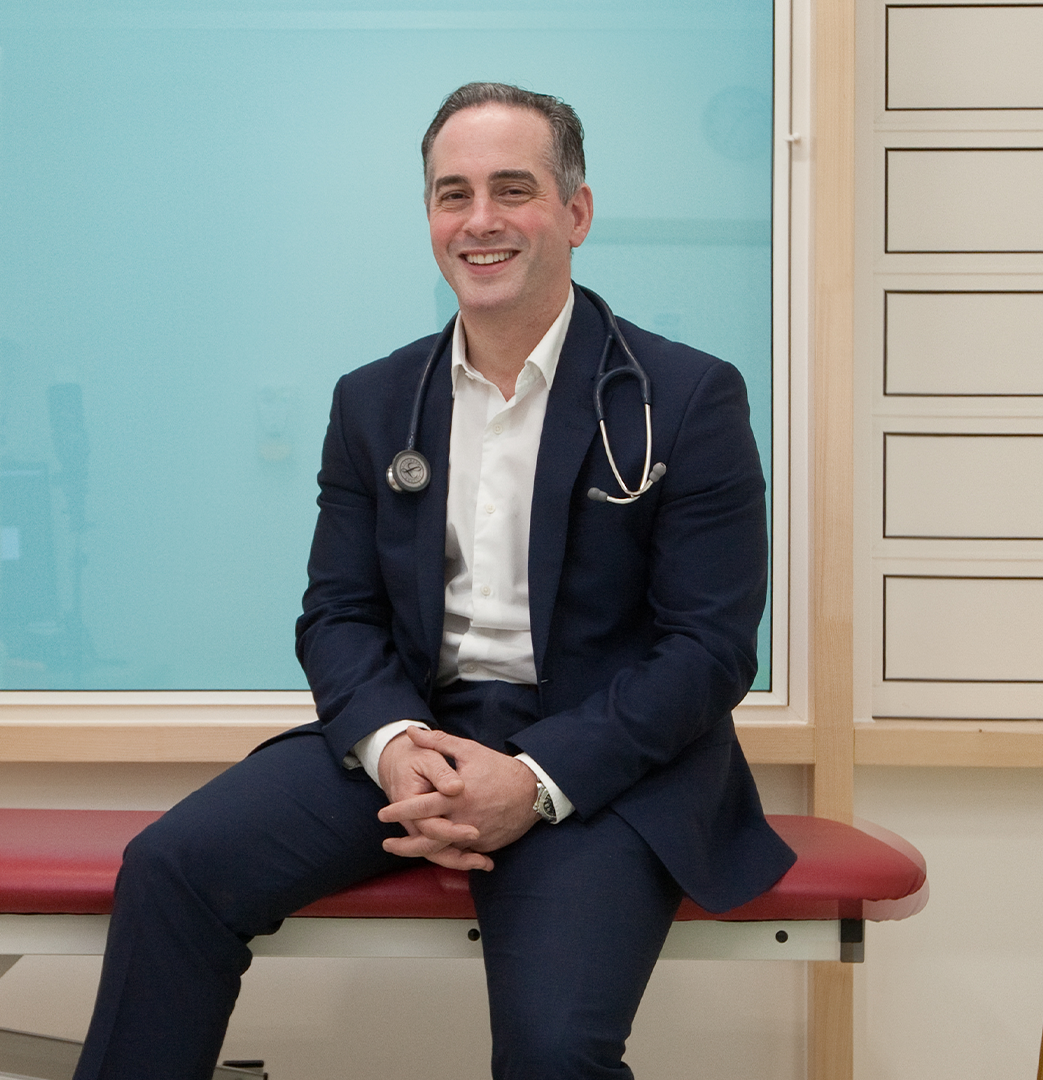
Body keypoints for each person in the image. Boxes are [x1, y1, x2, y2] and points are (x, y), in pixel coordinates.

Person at [73, 82, 796, 1080]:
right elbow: (339, 612)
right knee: (172, 870)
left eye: (514, 189)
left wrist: (535, 782)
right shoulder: (375, 403)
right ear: (429, 219)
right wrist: (392, 744)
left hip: (602, 759)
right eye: (453, 195)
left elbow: (710, 650)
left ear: (576, 213)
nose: (481, 220)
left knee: (554, 1050)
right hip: (423, 729)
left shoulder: (685, 398)